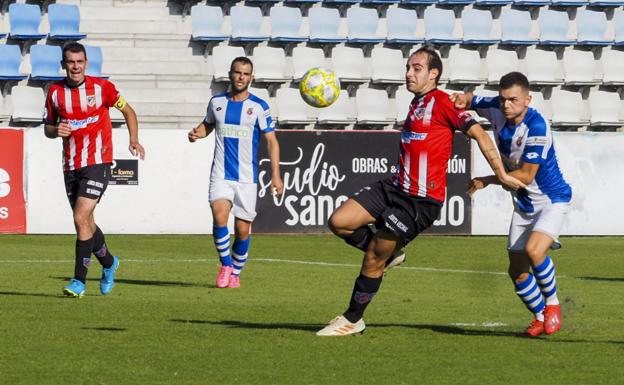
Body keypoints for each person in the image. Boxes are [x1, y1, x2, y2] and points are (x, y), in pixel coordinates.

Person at [316, 46, 525, 336]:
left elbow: (479, 134)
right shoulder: (417, 103)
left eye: (416, 68)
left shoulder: (444, 102)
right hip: (394, 187)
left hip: (419, 202)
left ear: (433, 74)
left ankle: (353, 318)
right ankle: (390, 255)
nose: (409, 73)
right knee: (339, 221)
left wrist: (500, 173)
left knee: (374, 257)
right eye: (408, 67)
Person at [449, 72, 572, 337]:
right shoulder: (495, 106)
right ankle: (539, 317)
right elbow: (470, 99)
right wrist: (461, 99)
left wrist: (488, 179)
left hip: (551, 200)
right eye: (503, 99)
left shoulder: (537, 127)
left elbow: (526, 176)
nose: (506, 105)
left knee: (534, 250)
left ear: (527, 100)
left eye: (513, 100)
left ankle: (552, 305)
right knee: (517, 271)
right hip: (524, 206)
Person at [44, 42, 145, 297]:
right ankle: (109, 263)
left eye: (79, 61)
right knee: (86, 222)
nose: (75, 66)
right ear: (63, 64)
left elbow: (129, 111)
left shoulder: (102, 88)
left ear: (86, 64)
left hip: (98, 161)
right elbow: (48, 128)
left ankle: (79, 281)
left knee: (80, 218)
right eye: (70, 61)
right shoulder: (55, 93)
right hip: (70, 164)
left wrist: (133, 139)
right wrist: (56, 131)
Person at [188, 57, 283, 289]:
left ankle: (236, 273)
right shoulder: (216, 102)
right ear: (230, 74)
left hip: (246, 178)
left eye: (246, 74)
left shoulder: (259, 107)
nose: (241, 77)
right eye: (237, 72)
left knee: (242, 231)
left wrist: (276, 175)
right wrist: (197, 133)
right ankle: (226, 266)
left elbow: (272, 141)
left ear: (251, 77)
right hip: (220, 173)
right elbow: (208, 124)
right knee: (219, 216)